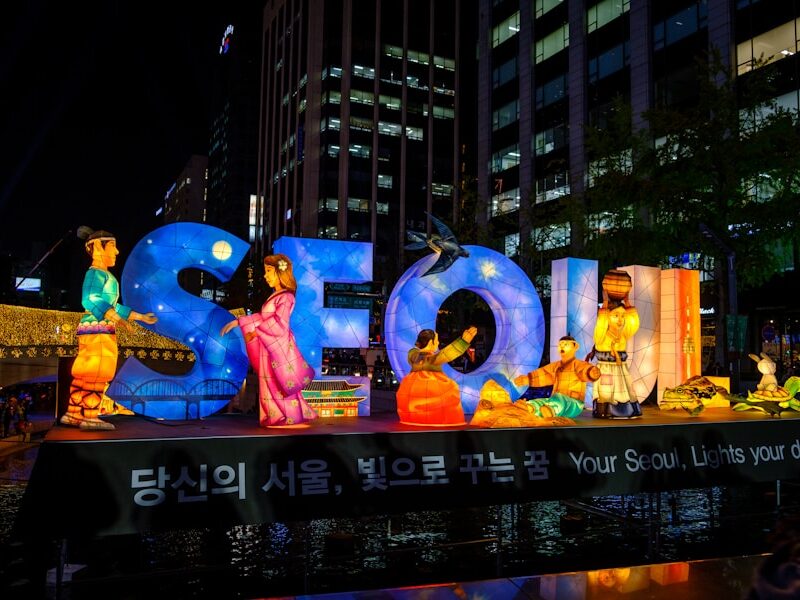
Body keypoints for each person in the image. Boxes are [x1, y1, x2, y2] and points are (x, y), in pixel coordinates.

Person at [61, 230, 158, 430]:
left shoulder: (104, 275)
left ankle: (73, 414)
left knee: (85, 372)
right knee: (98, 372)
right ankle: (90, 417)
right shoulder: (95, 273)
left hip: (93, 328)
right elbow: (90, 299)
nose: (117, 251)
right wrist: (116, 318)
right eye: (112, 246)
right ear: (98, 246)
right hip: (99, 329)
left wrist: (140, 317)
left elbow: (114, 306)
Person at [221, 254, 316, 428]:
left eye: (269, 271)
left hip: (278, 348)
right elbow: (262, 317)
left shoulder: (286, 297)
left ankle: (291, 416)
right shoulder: (276, 296)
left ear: (280, 272)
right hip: (269, 347)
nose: (266, 276)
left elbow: (279, 323)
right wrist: (239, 322)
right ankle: (277, 416)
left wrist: (255, 332)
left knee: (279, 383)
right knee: (270, 383)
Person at [396, 326, 477, 426]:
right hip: (431, 388)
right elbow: (447, 354)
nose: (438, 343)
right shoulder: (432, 359)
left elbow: (414, 354)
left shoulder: (413, 355)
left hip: (411, 387)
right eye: (437, 340)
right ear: (431, 342)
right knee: (450, 389)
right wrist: (462, 342)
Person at [513, 335, 600, 418]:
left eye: (566, 344)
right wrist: (528, 379)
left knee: (560, 400)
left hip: (574, 403)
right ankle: (530, 408)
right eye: (560, 344)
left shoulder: (578, 364)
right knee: (542, 401)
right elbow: (544, 373)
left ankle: (552, 410)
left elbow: (584, 370)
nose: (562, 346)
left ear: (575, 347)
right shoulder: (556, 366)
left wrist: (591, 372)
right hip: (554, 399)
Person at [590, 293, 641, 418]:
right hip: (606, 367)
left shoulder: (623, 334)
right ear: (607, 317)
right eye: (615, 315)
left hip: (620, 368)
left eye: (623, 316)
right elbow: (601, 323)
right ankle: (604, 410)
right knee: (606, 391)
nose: (620, 320)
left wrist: (628, 303)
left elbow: (633, 324)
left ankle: (626, 410)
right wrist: (605, 304)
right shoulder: (601, 334)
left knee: (623, 390)